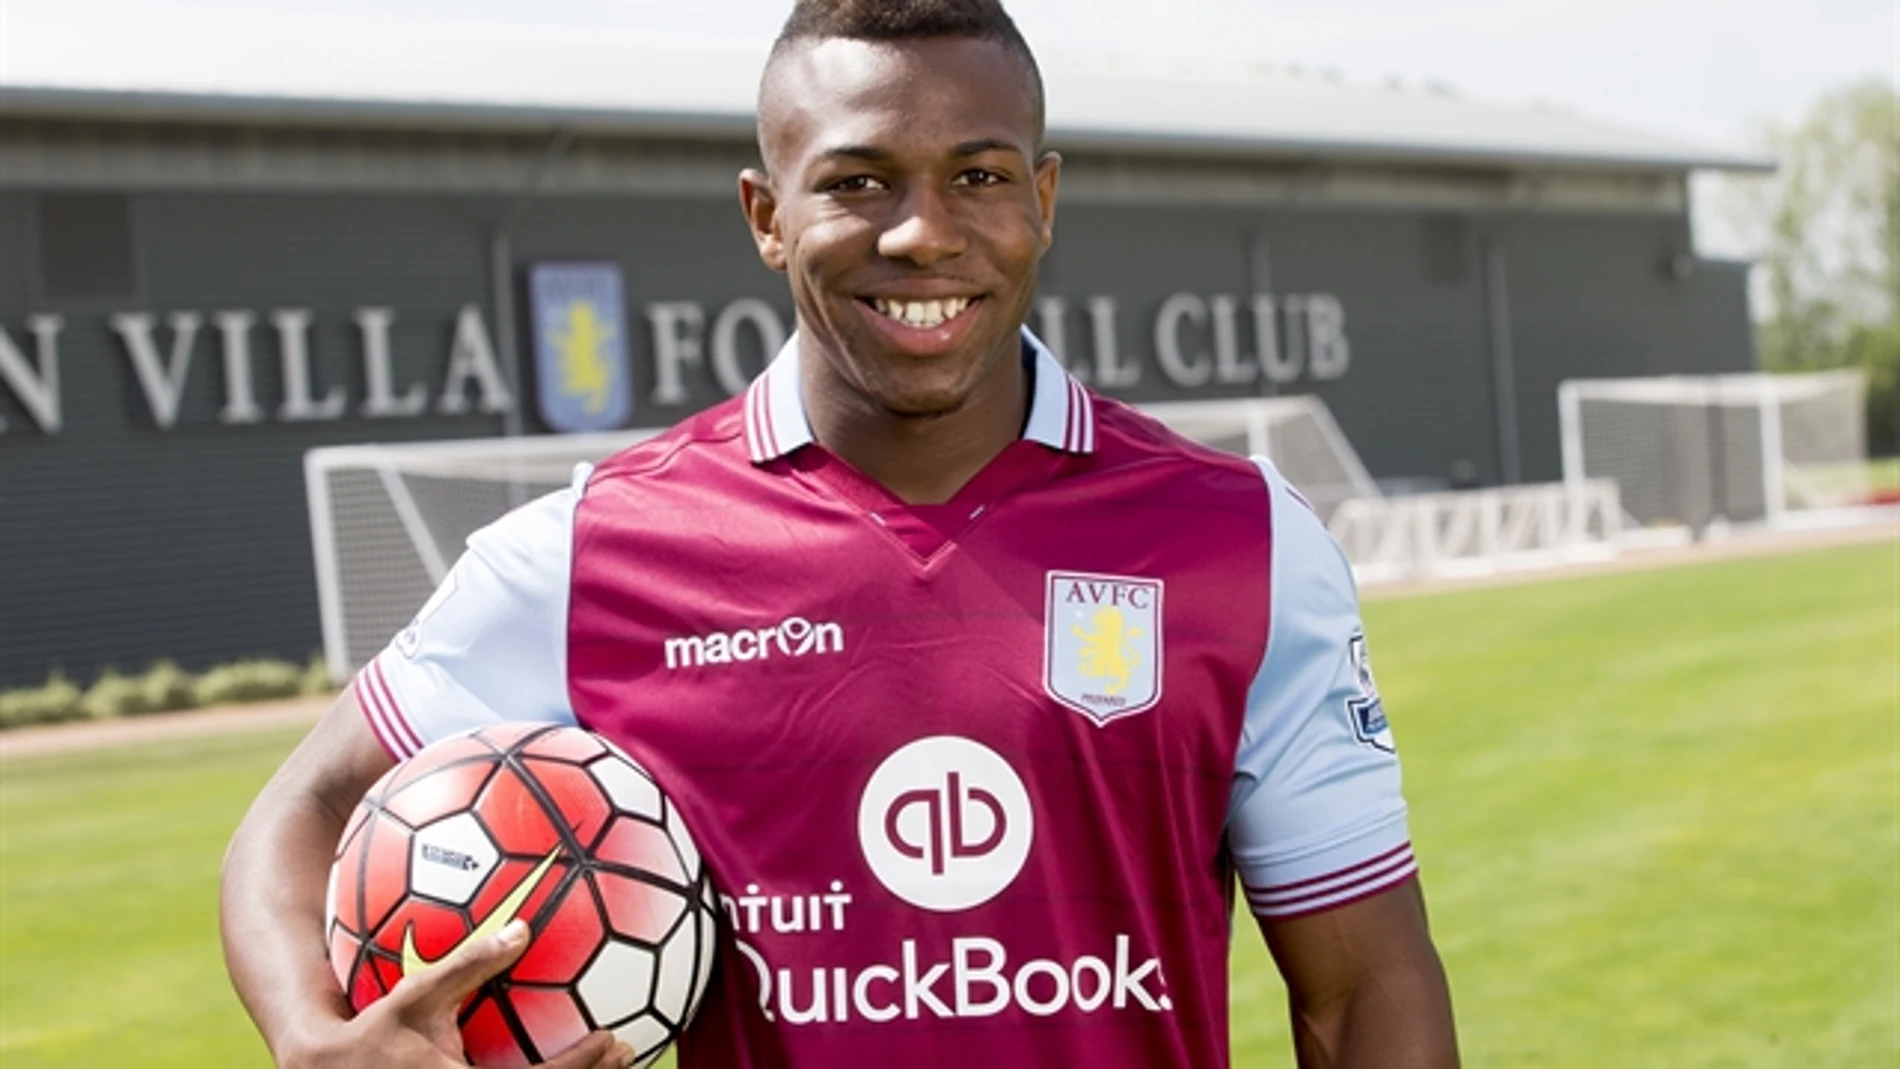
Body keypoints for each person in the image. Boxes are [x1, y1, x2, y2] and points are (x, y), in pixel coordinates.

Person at [220, 1, 1459, 1065]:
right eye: (858, 180)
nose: (922, 231)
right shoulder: (586, 553)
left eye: (978, 175)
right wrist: (311, 1031)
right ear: (766, 213)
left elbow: (1363, 993)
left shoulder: (1238, 542)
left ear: (1042, 199)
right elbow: (303, 810)